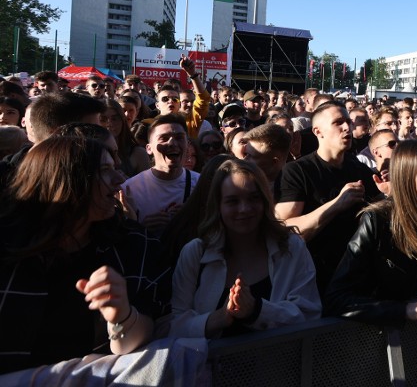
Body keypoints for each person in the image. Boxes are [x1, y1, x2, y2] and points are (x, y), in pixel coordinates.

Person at [0, 136, 170, 374]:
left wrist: (123, 315)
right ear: (66, 179)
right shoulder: (8, 246)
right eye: (105, 170)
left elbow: (146, 335)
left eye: (116, 169)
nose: (120, 179)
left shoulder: (132, 244)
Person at [325, 139, 417, 325]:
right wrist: (407, 309)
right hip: (385, 341)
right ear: (406, 174)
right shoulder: (376, 220)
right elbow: (337, 298)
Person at [170, 159, 321, 338]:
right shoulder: (195, 253)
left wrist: (256, 311)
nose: (244, 209)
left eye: (253, 198)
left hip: (277, 364)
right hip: (208, 365)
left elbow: (309, 314)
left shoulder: (291, 246)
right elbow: (175, 325)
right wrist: (217, 319)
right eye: (233, 201)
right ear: (218, 206)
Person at [277, 102, 385, 293]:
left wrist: (389, 196)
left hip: (356, 276)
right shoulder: (298, 171)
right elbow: (285, 229)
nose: (347, 128)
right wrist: (336, 205)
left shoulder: (359, 169)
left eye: (348, 122)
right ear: (318, 131)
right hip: (314, 279)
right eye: (338, 123)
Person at [122, 114, 200, 233]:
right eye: (163, 138)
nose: (172, 143)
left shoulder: (202, 185)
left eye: (179, 138)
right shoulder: (129, 190)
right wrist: (141, 228)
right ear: (149, 148)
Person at [101, 98, 149, 177]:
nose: (109, 123)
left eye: (115, 119)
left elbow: (145, 187)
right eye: (103, 119)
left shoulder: (138, 153)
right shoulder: (86, 152)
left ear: (123, 120)